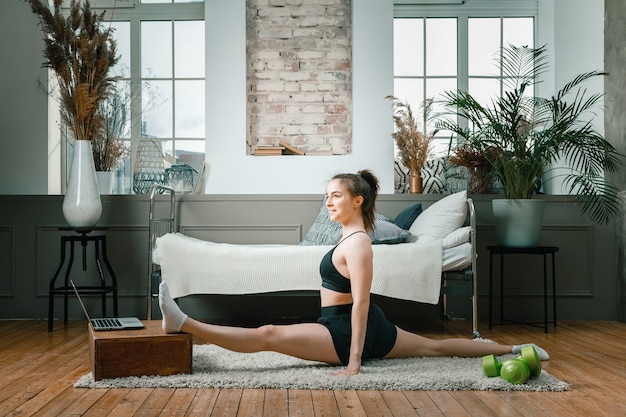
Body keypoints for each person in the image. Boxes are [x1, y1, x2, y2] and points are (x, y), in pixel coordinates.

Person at [159, 169, 549, 376]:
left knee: (268, 335)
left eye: (336, 195)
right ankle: (514, 349)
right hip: (356, 324)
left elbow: (362, 300)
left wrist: (355, 360)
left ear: (357, 201)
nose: (328, 200)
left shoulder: (360, 242)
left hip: (345, 331)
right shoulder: (349, 238)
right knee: (437, 347)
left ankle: (183, 324)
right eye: (327, 194)